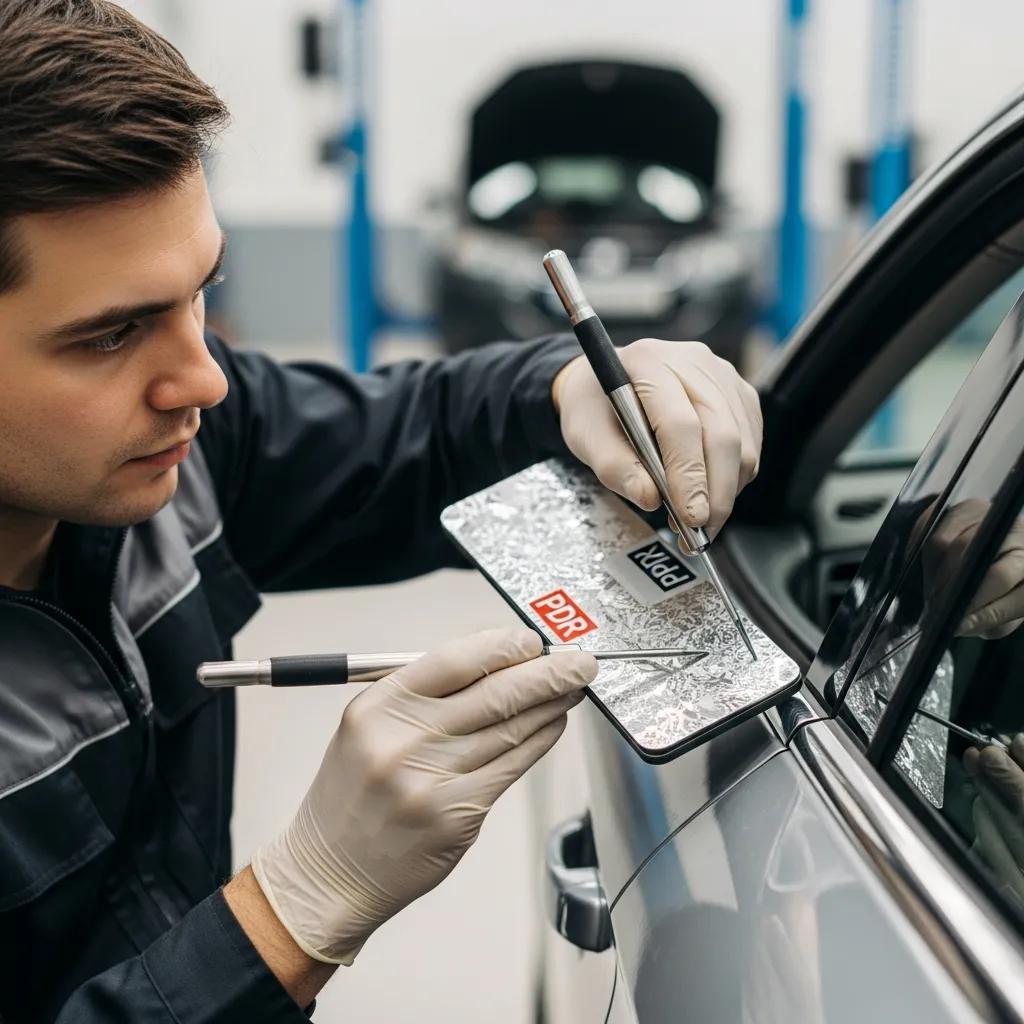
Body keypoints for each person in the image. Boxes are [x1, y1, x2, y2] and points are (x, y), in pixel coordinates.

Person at [0, 2, 763, 1021]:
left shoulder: (171, 454)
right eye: (111, 335)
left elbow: (419, 433)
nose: (204, 379)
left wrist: (564, 387)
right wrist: (287, 914)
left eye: (199, 296)